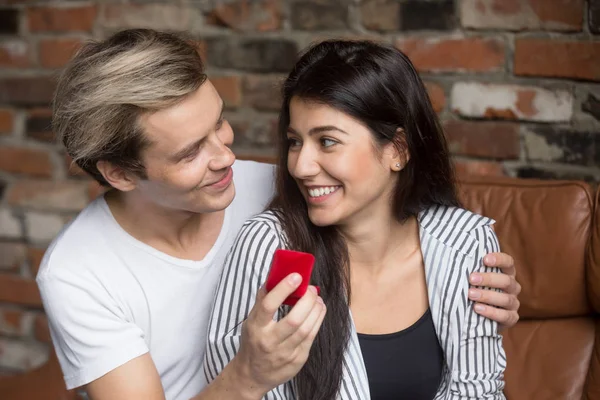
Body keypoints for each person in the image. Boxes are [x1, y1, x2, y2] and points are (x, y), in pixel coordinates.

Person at [36, 29, 519, 400]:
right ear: (121, 173)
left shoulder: (294, 189)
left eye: (219, 123)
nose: (226, 158)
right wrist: (247, 374)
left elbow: (399, 211)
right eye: (189, 153)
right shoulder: (78, 274)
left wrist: (479, 285)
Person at [205, 39, 510, 400]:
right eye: (295, 141)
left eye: (328, 141)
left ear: (397, 150)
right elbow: (236, 384)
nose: (300, 166)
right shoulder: (269, 246)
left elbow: (480, 393)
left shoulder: (466, 244)